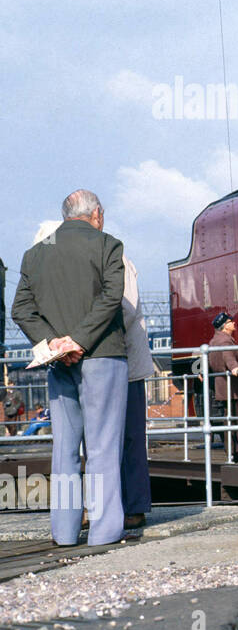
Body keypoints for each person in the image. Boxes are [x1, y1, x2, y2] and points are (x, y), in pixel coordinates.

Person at [10, 190, 127, 546]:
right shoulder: (108, 245)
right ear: (97, 214)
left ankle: (63, 531)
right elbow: (112, 296)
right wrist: (79, 340)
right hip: (102, 354)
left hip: (57, 362)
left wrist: (57, 344)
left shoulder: (35, 255)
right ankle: (104, 532)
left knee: (64, 449)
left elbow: (21, 309)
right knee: (103, 446)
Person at [120, 253, 153, 529]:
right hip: (107, 360)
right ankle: (128, 505)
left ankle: (135, 506)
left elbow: (126, 310)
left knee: (131, 437)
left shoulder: (116, 256)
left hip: (125, 362)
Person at [209, 311, 238, 462]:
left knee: (229, 420)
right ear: (224, 326)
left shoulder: (214, 341)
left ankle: (232, 452)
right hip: (234, 389)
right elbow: (228, 356)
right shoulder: (225, 342)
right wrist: (235, 368)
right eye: (230, 321)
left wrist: (201, 371)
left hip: (223, 388)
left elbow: (208, 360)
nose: (234, 323)